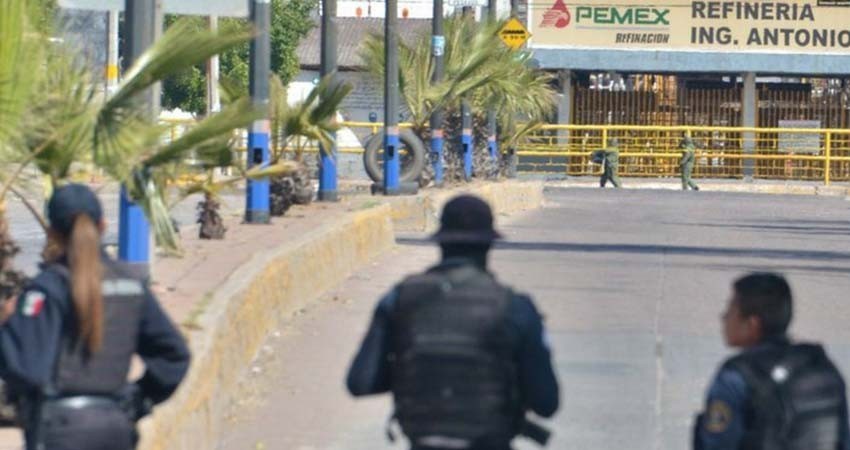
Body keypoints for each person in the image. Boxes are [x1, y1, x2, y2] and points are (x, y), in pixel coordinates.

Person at [347, 195, 559, 450]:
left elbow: (360, 382)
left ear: (441, 243)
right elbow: (546, 402)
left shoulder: (398, 300)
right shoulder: (516, 308)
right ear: (489, 245)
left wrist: (413, 371)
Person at [0, 184, 191, 450]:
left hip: (58, 430)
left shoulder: (49, 287)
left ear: (53, 232)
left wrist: (9, 326)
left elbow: (26, 367)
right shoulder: (130, 284)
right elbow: (173, 355)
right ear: (102, 226)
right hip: (114, 428)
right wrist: (136, 401)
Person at [694, 273, 849, 450]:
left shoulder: (736, 377)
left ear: (752, 324)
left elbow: (717, 444)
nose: (723, 317)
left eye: (731, 309)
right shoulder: (822, 367)